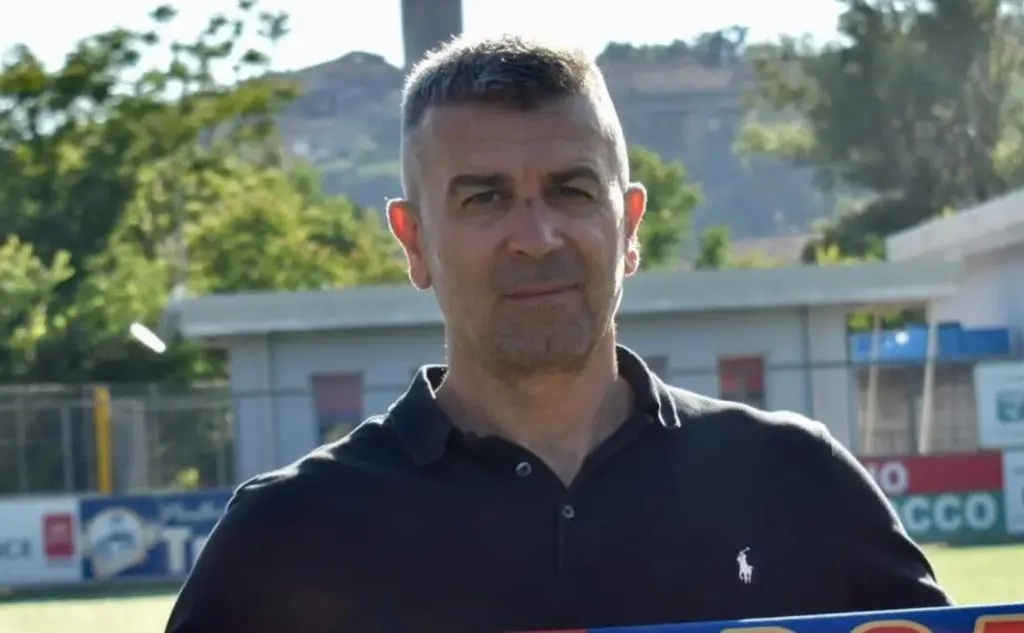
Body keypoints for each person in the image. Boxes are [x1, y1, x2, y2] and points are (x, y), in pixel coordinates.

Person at [164, 35, 952, 633]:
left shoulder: (797, 480)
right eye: (484, 199)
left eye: (572, 190)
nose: (536, 237)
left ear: (630, 225)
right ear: (413, 241)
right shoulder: (289, 532)